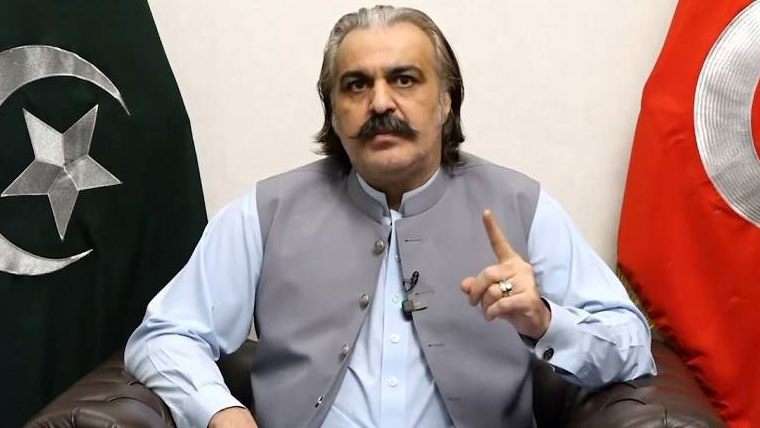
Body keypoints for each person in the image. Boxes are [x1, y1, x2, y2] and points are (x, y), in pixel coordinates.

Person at [125, 5, 656, 428]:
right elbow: (164, 336)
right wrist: (222, 413)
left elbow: (631, 345)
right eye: (356, 85)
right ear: (333, 112)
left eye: (404, 79)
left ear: (446, 102)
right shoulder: (264, 212)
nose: (380, 102)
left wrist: (543, 320)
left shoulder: (521, 206)